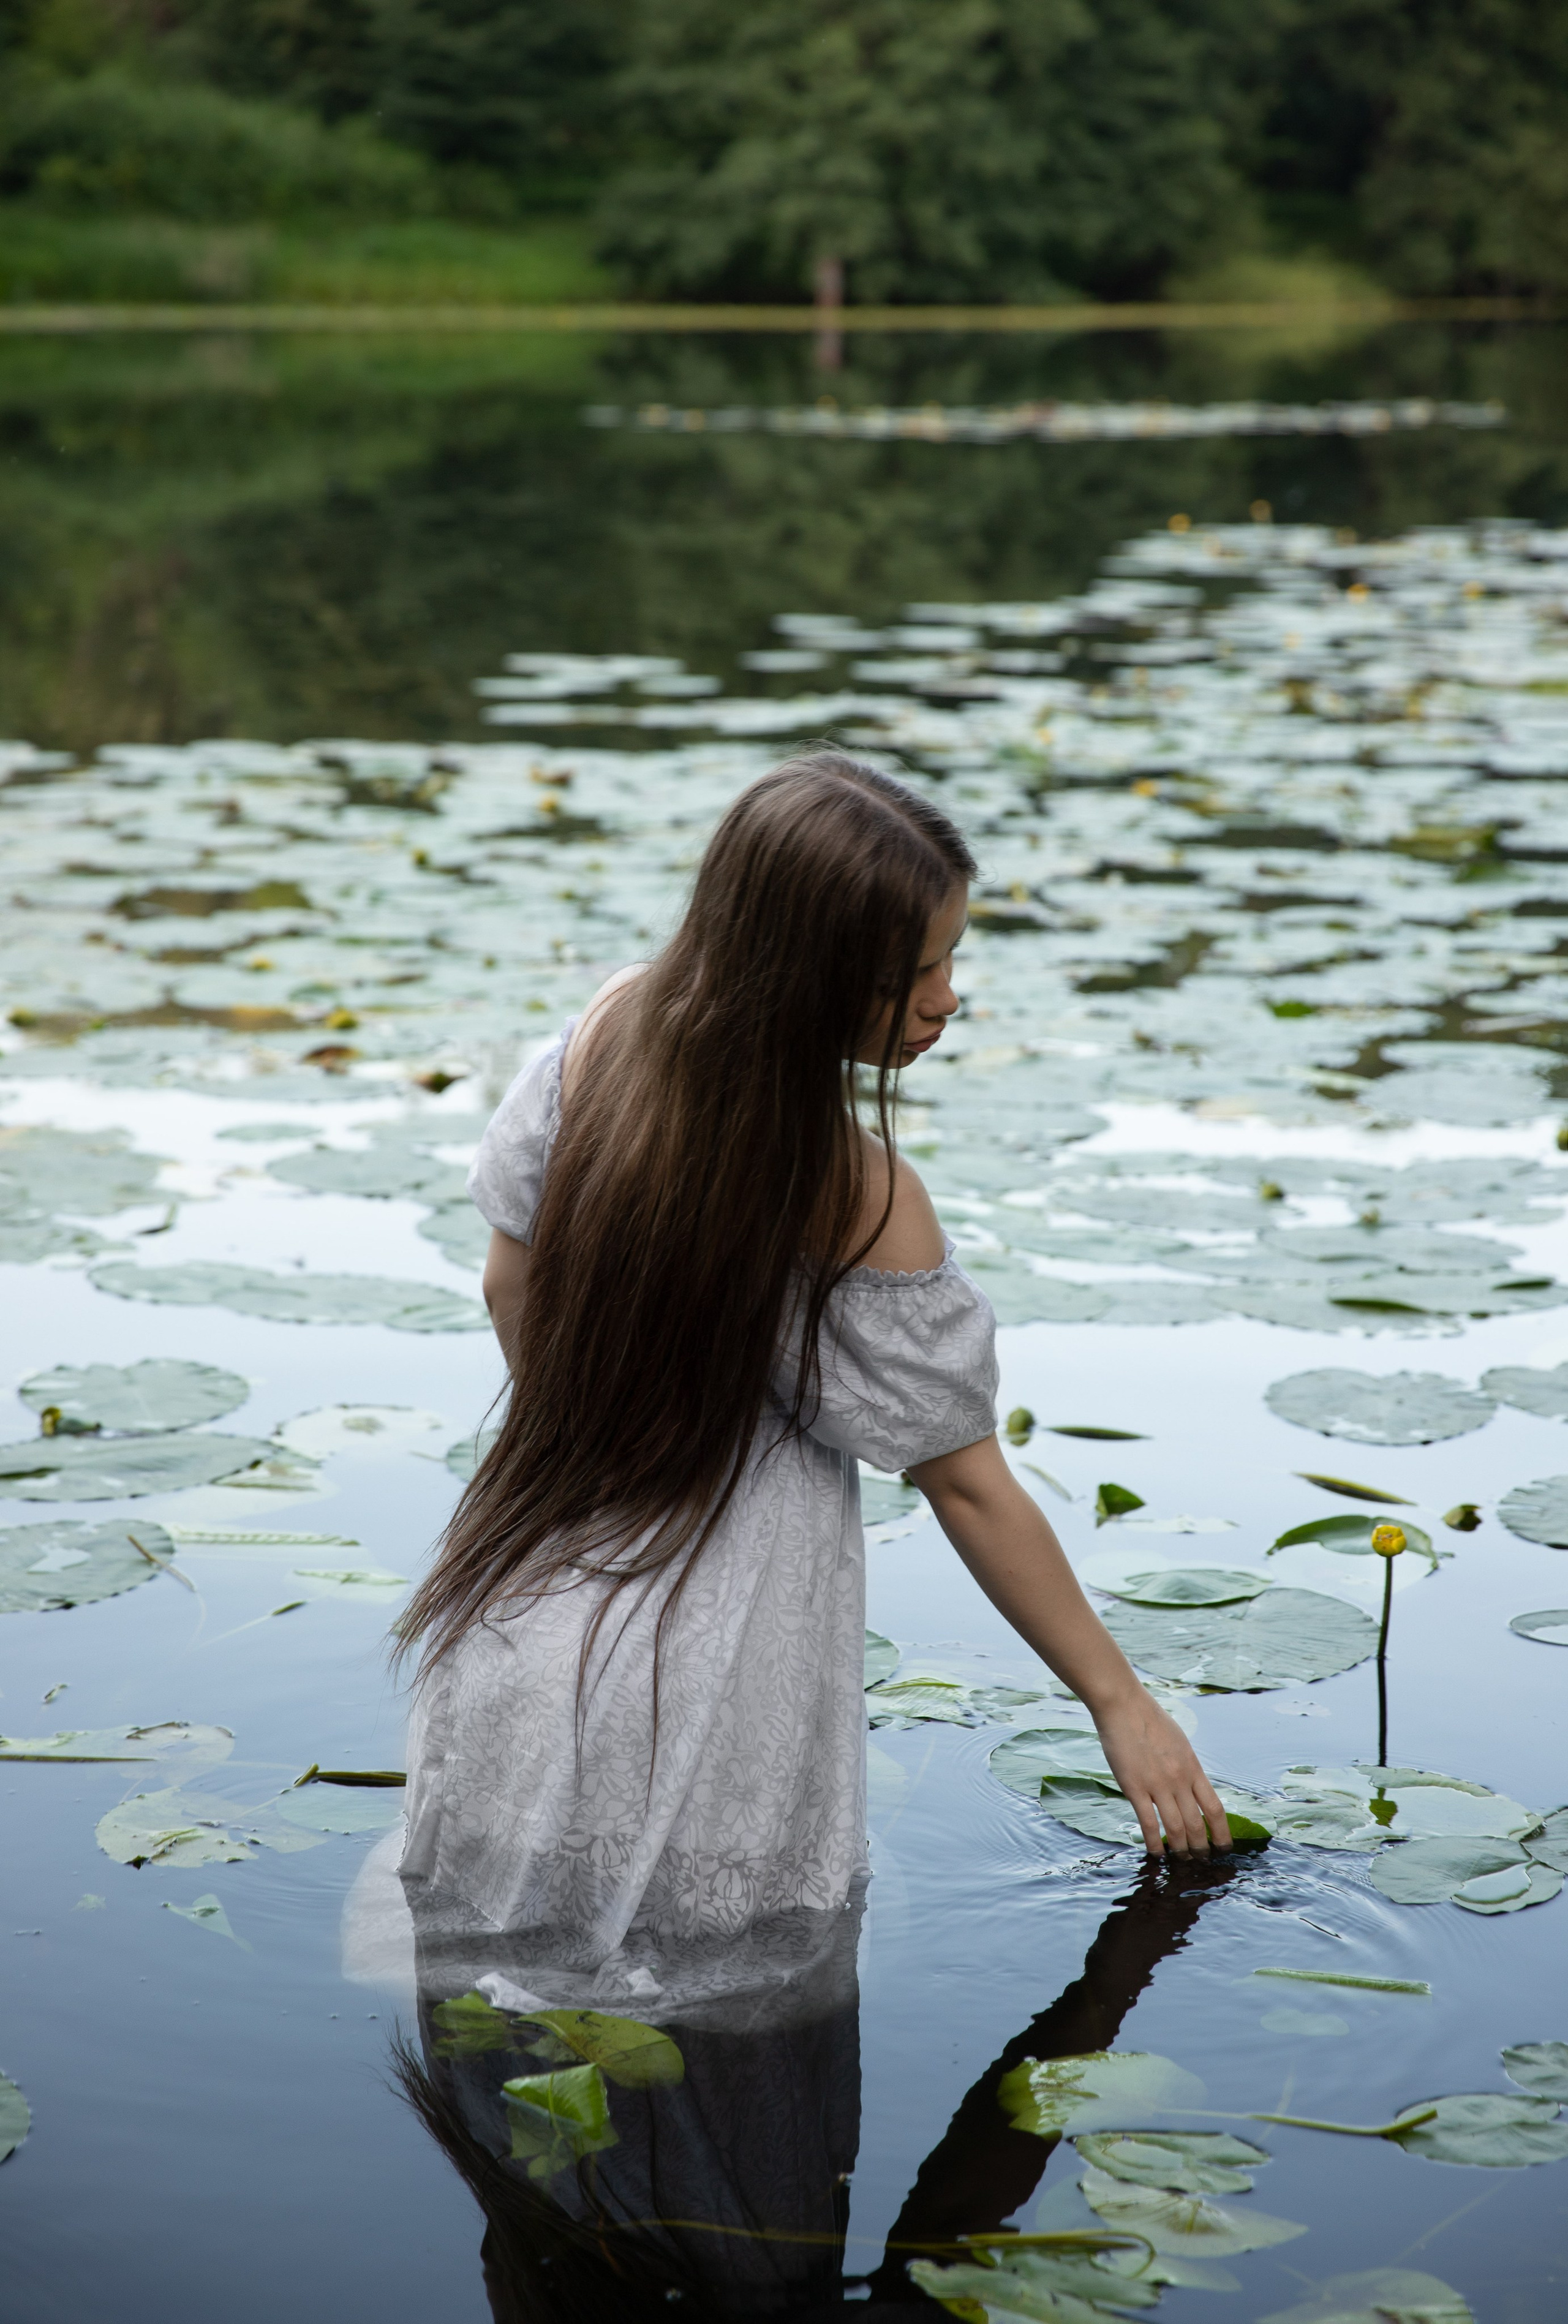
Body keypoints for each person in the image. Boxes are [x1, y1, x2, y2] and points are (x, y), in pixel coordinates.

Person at [395, 747, 1229, 2004]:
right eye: (911, 977)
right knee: (724, 2067)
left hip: (516, 1614)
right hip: (709, 1681)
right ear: (805, 978)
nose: (947, 999)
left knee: (515, 2094)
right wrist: (1119, 1702)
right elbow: (964, 1484)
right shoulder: (854, 1189)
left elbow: (506, 1287)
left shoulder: (604, 1031)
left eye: (952, 957)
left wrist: (594, 1441)